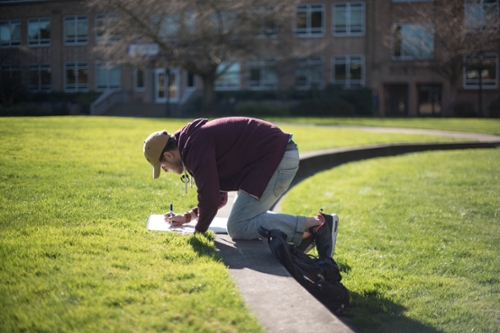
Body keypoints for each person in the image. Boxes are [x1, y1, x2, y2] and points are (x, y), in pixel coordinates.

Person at [143, 117, 336, 257]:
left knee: (237, 226)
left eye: (163, 167)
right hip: (277, 156)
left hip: (277, 158)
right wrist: (188, 217)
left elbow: (210, 200)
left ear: (168, 156)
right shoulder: (192, 143)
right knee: (242, 221)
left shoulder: (195, 148)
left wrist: (198, 233)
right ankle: (308, 232)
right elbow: (218, 198)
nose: (166, 171)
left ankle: (317, 225)